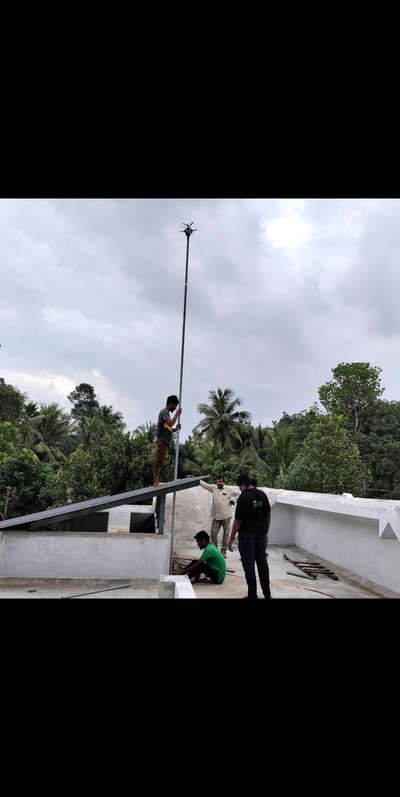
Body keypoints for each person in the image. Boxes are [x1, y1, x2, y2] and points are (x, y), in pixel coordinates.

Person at [228, 472, 271, 599]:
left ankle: (252, 595)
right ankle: (267, 594)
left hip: (247, 537)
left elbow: (238, 521)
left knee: (249, 566)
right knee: (262, 564)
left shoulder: (243, 497)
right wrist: (266, 532)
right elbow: (268, 515)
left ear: (242, 485)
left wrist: (231, 539)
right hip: (261, 536)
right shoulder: (262, 495)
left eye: (239, 487)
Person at [199, 475, 240, 558]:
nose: (218, 483)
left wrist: (233, 500)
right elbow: (205, 485)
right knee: (213, 533)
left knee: (226, 533)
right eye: (217, 481)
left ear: (224, 482)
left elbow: (239, 494)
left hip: (226, 516)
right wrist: (198, 481)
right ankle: (215, 551)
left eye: (220, 481)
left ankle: (223, 551)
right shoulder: (214, 488)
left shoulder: (229, 489)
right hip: (216, 516)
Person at [153, 395, 182, 487]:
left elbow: (169, 427)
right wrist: (177, 414)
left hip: (165, 442)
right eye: (175, 406)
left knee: (161, 462)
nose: (175, 408)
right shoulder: (164, 412)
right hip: (162, 441)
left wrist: (176, 429)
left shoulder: (167, 415)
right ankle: (156, 483)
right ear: (171, 403)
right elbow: (171, 423)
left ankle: (157, 482)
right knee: (158, 461)